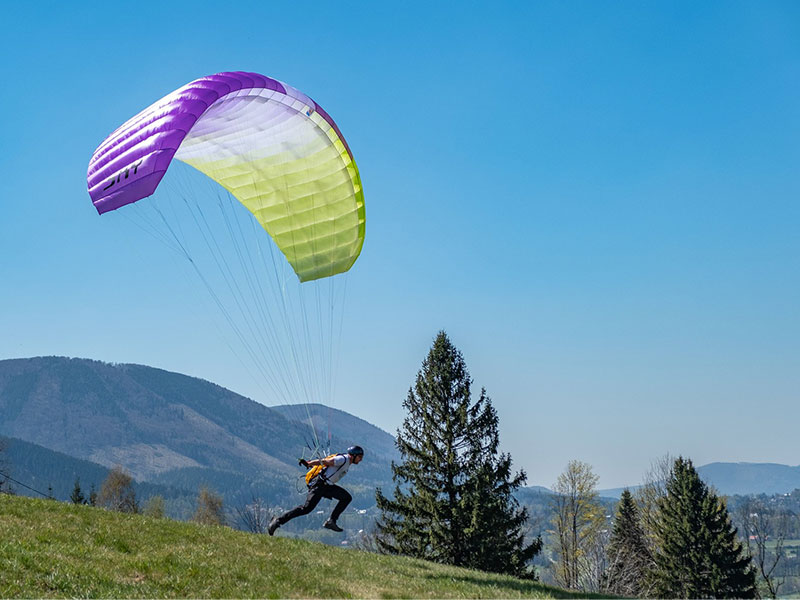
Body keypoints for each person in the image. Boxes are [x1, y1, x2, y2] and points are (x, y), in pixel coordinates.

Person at [268, 445, 364, 535]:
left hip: (328, 486)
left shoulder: (347, 462)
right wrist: (309, 463)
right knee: (306, 509)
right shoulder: (343, 459)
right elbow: (325, 461)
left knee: (346, 498)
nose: (361, 459)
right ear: (353, 455)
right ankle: (278, 521)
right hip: (320, 485)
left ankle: (331, 521)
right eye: (360, 457)